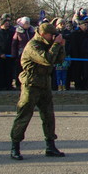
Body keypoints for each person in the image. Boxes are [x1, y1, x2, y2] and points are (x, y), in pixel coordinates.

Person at [8, 23, 66, 161]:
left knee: (48, 116)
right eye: (50, 35)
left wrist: (61, 46)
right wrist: (56, 45)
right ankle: (15, 147)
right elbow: (46, 59)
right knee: (24, 114)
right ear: (42, 34)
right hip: (31, 83)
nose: (52, 37)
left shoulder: (48, 44)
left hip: (44, 83)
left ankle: (50, 146)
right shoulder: (33, 45)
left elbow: (58, 60)